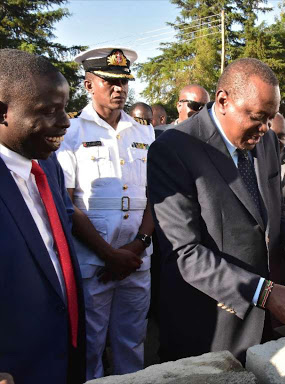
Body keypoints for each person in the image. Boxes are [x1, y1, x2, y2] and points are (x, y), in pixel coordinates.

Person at [148, 58, 285, 363]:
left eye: (270, 118)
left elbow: (276, 211)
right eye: (257, 117)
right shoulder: (174, 150)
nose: (264, 128)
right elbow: (185, 254)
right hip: (208, 327)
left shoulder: (266, 141)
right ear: (223, 101)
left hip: (263, 323)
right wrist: (265, 293)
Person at [57, 47, 155, 379]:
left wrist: (138, 245)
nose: (119, 89)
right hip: (94, 263)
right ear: (88, 85)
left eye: (124, 82)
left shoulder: (144, 132)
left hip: (137, 260)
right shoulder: (71, 133)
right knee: (91, 346)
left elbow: (157, 196)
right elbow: (67, 204)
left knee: (132, 343)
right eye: (109, 81)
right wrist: (108, 254)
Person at [0, 49, 86, 384]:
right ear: (3, 111)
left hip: (63, 356)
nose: (65, 121)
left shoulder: (47, 165)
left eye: (64, 108)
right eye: (48, 111)